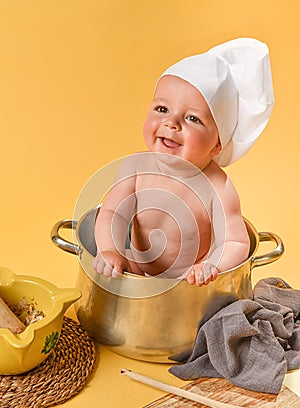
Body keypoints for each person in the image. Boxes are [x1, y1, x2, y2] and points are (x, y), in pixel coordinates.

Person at [93, 38, 274, 286]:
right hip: (138, 269)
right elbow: (112, 213)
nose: (171, 123)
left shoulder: (218, 187)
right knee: (124, 265)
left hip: (190, 282)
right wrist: (110, 251)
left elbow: (235, 242)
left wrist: (212, 265)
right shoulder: (134, 167)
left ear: (217, 145)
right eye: (162, 109)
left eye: (192, 118)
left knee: (196, 287)